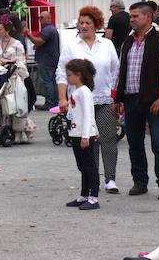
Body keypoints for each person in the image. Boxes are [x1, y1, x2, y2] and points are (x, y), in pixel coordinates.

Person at [57, 8, 119, 195]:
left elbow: (116, 71)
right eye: (81, 23)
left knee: (108, 139)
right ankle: (93, 181)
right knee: (88, 141)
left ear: (96, 25)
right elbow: (61, 72)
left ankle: (110, 179)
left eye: (88, 23)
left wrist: (117, 97)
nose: (83, 26)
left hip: (105, 99)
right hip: (80, 103)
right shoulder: (71, 46)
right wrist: (62, 98)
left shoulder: (107, 44)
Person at [113, 1, 159, 200]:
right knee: (134, 142)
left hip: (154, 99)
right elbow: (121, 71)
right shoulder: (127, 42)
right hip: (130, 98)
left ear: (148, 17)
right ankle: (140, 181)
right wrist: (116, 98)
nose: (131, 19)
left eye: (135, 16)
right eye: (131, 16)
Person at [62, 58, 101, 210]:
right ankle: (84, 194)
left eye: (69, 74)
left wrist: (87, 135)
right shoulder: (76, 91)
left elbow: (88, 114)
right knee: (82, 166)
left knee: (90, 166)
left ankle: (94, 197)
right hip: (76, 133)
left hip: (83, 135)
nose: (67, 77)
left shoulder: (84, 92)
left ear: (78, 75)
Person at [0, 14, 33, 143]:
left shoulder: (17, 44)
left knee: (14, 103)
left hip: (13, 78)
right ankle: (1, 130)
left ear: (7, 30)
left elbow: (21, 61)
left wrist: (8, 62)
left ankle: (18, 133)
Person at [25, 11, 61, 110]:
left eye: (41, 18)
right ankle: (54, 101)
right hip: (51, 59)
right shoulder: (50, 29)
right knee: (52, 81)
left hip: (46, 60)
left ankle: (50, 102)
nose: (39, 20)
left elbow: (40, 41)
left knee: (47, 81)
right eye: (39, 17)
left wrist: (29, 35)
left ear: (49, 18)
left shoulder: (48, 30)